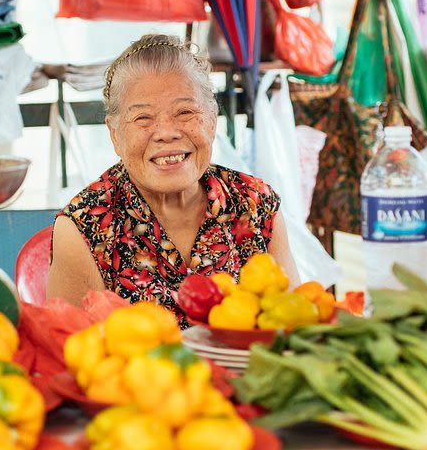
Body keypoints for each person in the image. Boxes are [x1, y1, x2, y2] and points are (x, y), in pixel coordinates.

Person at [47, 34, 298, 326]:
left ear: (212, 120)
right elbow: (68, 352)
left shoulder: (256, 204)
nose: (166, 132)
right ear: (114, 134)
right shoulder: (84, 227)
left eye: (185, 112)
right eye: (143, 118)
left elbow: (293, 329)